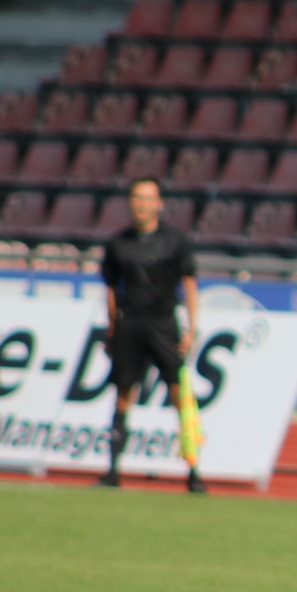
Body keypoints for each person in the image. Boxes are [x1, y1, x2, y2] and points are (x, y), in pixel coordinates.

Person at [99, 178, 206, 494]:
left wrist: (192, 328)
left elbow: (189, 284)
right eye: (137, 198)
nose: (142, 205)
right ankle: (113, 471)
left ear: (159, 204)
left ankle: (194, 471)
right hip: (130, 324)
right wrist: (112, 327)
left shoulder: (175, 241)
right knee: (123, 394)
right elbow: (110, 288)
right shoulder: (118, 244)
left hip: (164, 323)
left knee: (179, 394)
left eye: (148, 199)